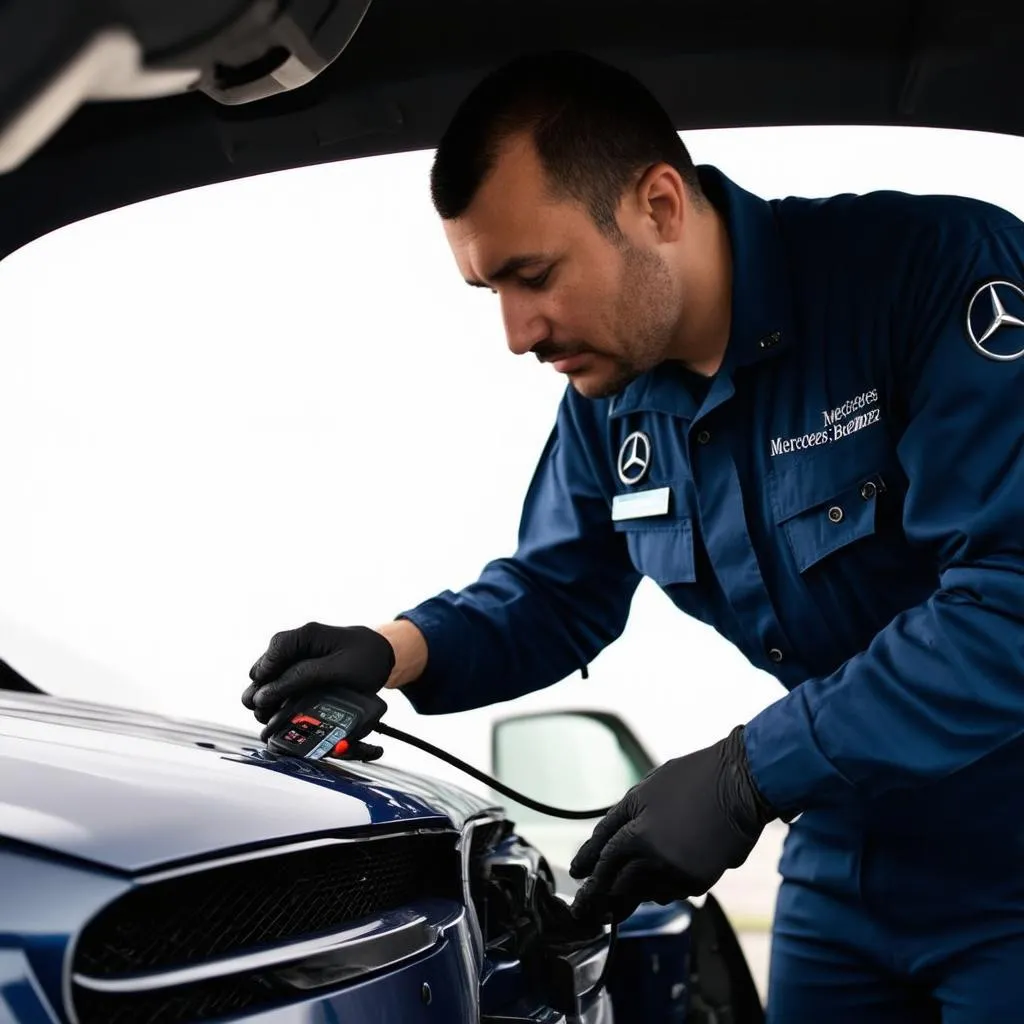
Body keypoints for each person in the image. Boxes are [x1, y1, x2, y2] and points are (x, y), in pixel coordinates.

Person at [242, 50, 1024, 1021]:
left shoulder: (935, 272)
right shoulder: (609, 396)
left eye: (533, 275)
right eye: (491, 291)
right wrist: (389, 651)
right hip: (842, 850)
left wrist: (747, 772)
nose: (517, 333)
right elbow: (556, 591)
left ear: (658, 204)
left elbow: (1008, 600)